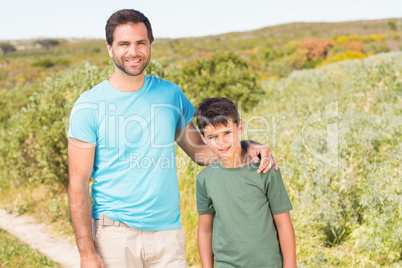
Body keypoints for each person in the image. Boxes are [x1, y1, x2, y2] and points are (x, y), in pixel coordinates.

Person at [67, 9, 278, 268]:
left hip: (168, 236)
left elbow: (201, 153)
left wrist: (246, 146)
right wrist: (86, 251)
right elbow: (78, 183)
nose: (133, 51)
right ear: (110, 48)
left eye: (140, 42)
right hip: (114, 236)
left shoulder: (170, 94)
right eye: (124, 44)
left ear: (150, 45)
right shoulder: (88, 105)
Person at [196, 97, 296, 268]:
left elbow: (283, 223)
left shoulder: (265, 169)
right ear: (203, 138)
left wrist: (290, 265)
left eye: (227, 133)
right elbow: (205, 230)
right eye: (213, 136)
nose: (222, 142)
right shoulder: (205, 179)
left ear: (239, 127)